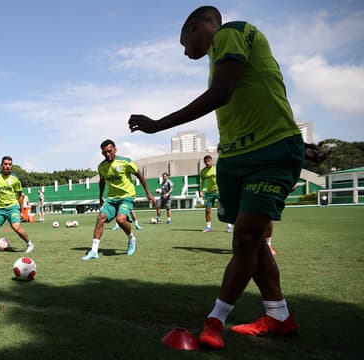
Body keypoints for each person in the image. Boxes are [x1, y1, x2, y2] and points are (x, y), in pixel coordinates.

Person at [128, 6, 302, 348]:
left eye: (183, 41)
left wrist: (157, 125)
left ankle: (214, 321)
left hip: (267, 153)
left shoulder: (231, 33)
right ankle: (279, 315)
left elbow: (221, 94)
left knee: (247, 239)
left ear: (196, 26)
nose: (183, 50)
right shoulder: (220, 55)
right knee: (250, 241)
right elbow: (256, 96)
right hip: (238, 157)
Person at [82, 139, 155, 260]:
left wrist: (149, 193)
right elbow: (102, 181)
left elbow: (139, 175)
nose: (107, 154)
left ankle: (131, 238)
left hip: (126, 197)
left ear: (115, 149)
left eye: (109, 151)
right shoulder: (102, 167)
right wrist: (100, 196)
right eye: (104, 152)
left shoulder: (125, 162)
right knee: (100, 218)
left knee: (121, 220)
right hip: (111, 199)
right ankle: (94, 251)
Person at [199, 155, 233, 233]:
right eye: (205, 162)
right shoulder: (203, 171)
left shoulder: (216, 169)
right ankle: (208, 227)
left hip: (219, 191)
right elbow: (202, 182)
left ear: (211, 161)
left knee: (225, 208)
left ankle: (229, 226)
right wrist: (201, 190)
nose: (207, 163)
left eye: (208, 161)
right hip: (209, 193)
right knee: (207, 210)